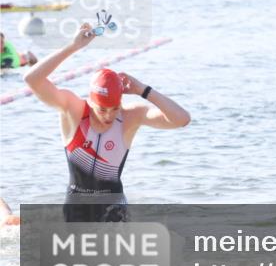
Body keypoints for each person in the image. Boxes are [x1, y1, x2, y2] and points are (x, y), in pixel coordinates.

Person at [24, 23, 191, 222]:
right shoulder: (74, 110)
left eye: (114, 108)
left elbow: (181, 119)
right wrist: (73, 47)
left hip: (114, 207)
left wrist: (144, 91)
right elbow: (32, 79)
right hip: (76, 208)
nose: (109, 116)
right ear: (91, 101)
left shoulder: (130, 116)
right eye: (102, 109)